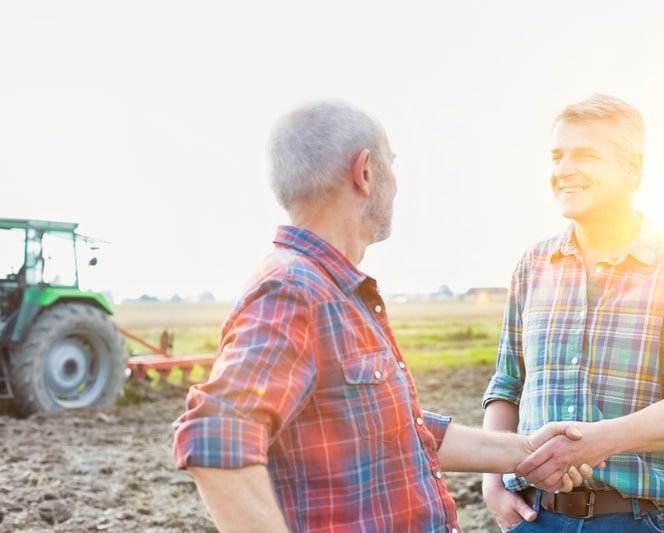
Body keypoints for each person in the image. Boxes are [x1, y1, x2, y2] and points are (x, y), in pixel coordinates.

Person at [172, 100, 595, 532]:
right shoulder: (293, 289)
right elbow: (215, 435)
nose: (395, 184)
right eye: (392, 165)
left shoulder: (336, 289)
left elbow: (397, 428)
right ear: (366, 172)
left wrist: (523, 450)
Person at [482, 94, 664, 532]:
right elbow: (507, 383)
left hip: (644, 520)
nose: (564, 169)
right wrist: (492, 483)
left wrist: (590, 443)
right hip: (534, 518)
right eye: (557, 155)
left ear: (632, 169)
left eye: (585, 155)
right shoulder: (534, 265)